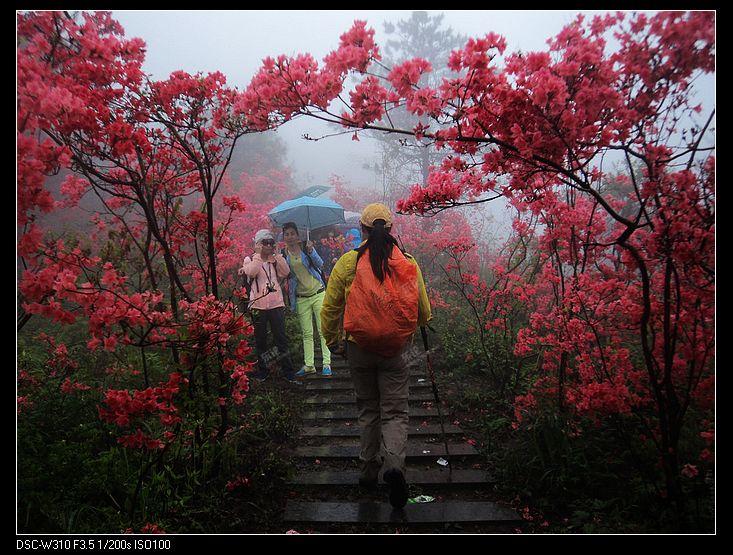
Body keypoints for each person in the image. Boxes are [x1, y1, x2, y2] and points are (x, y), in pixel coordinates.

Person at [320, 203, 432, 509]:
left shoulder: (347, 263)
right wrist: (408, 329)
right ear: (391, 229)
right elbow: (423, 311)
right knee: (395, 411)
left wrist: (333, 341)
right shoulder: (407, 261)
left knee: (368, 408)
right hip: (396, 350)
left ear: (363, 230)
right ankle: (394, 466)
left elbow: (329, 308)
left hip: (359, 346)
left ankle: (368, 471)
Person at [239, 229, 297, 382]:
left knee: (281, 339)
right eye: (265, 242)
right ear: (258, 244)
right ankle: (263, 371)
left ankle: (288, 372)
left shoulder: (275, 260)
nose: (269, 245)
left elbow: (286, 272)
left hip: (276, 304)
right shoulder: (249, 260)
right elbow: (251, 273)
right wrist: (258, 256)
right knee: (261, 340)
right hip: (258, 306)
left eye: (271, 242)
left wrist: (277, 255)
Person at [281, 222, 332, 377]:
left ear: (298, 235)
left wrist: (311, 251)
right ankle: (309, 365)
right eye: (287, 234)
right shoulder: (283, 254)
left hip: (318, 293)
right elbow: (284, 275)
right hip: (301, 297)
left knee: (323, 330)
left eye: (292, 233)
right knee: (307, 333)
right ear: (284, 237)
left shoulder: (306, 247)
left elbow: (320, 264)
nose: (290, 237)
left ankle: (326, 364)